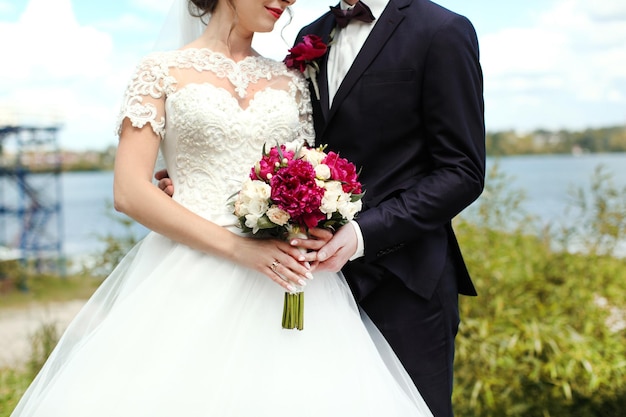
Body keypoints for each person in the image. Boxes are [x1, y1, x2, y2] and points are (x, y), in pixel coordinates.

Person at [9, 0, 434, 416]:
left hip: (289, 280)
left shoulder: (290, 80)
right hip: (189, 274)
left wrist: (315, 216)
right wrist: (239, 249)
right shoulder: (159, 72)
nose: (289, 0)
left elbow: (306, 171)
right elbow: (129, 191)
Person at [287, 1, 486, 416]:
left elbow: (462, 171)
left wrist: (363, 233)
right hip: (318, 285)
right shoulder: (312, 33)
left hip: (407, 284)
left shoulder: (442, 30)